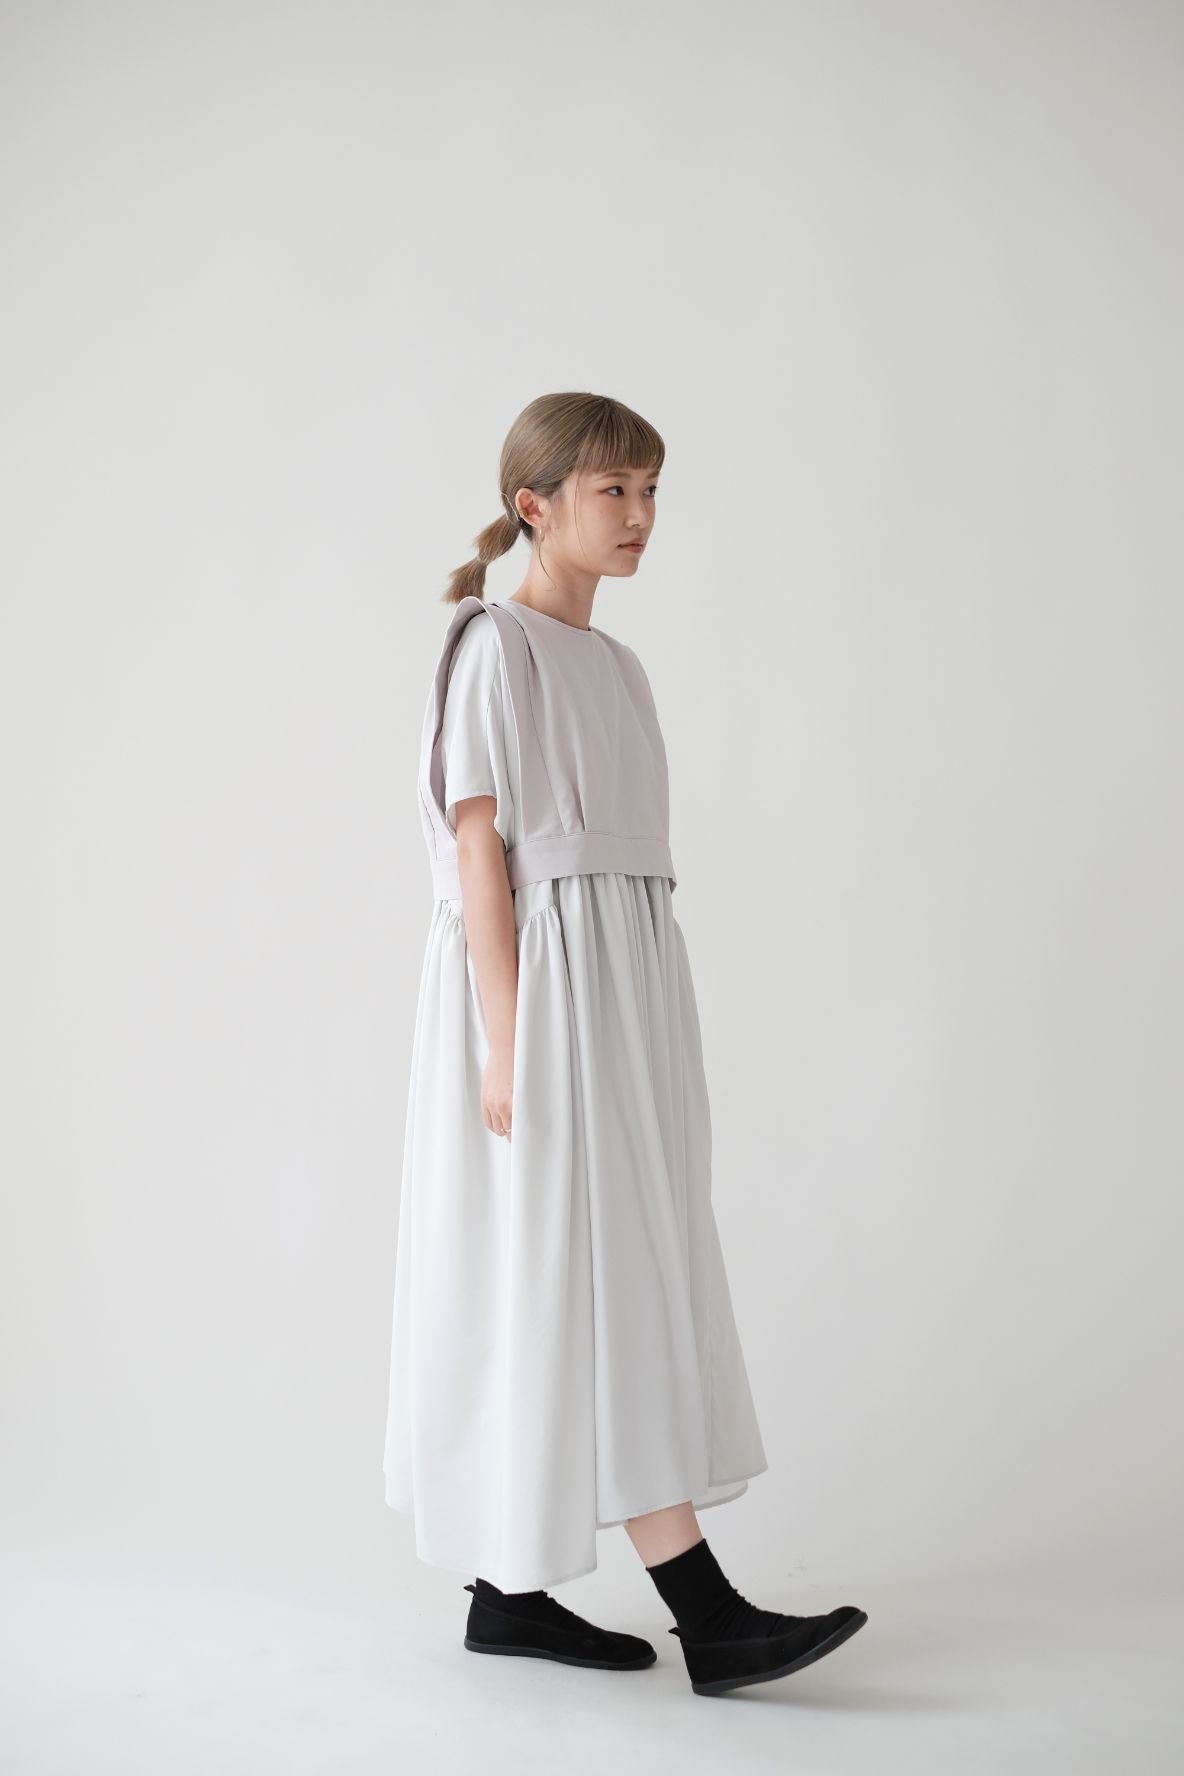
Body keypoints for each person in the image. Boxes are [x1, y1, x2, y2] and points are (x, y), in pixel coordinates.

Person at [383, 392, 868, 1696]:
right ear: (535, 505)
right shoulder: (493, 648)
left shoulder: (620, 668)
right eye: (615, 490)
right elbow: (479, 852)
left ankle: (509, 1599)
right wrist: (506, 1040)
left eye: (652, 490)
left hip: (622, 995)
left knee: (598, 1268)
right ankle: (707, 1615)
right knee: (585, 1271)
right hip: (541, 1000)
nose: (642, 515)